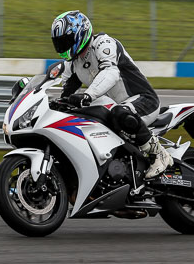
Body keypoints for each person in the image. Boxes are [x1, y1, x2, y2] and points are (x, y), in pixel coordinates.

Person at [51, 10, 173, 178]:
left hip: (144, 100)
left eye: (66, 41)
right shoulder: (74, 63)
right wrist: (54, 103)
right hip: (117, 107)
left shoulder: (103, 43)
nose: (62, 46)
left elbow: (110, 72)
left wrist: (88, 95)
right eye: (59, 42)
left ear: (80, 33)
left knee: (119, 113)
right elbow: (65, 91)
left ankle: (159, 153)